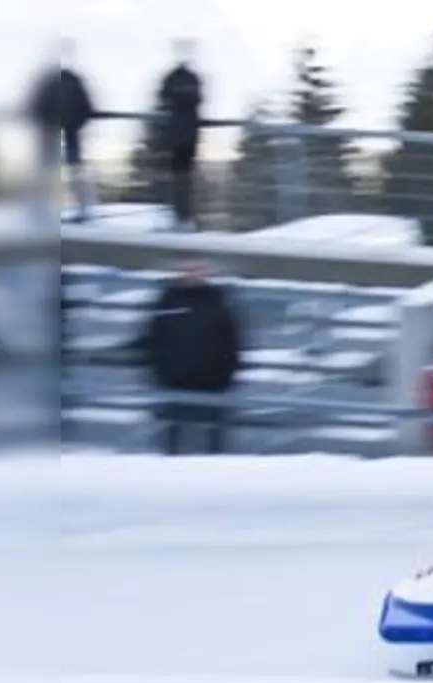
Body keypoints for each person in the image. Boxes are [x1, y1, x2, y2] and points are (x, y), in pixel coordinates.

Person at [139, 258, 241, 454]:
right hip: (173, 382)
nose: (190, 275)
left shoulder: (218, 301)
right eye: (185, 270)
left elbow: (231, 341)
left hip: (212, 384)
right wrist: (158, 373)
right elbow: (153, 337)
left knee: (212, 440)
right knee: (172, 439)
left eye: (195, 270)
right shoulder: (167, 299)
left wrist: (226, 377)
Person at [26, 40, 96, 223]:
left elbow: (86, 108)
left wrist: (72, 123)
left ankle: (78, 207)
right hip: (56, 130)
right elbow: (36, 107)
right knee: (53, 169)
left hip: (64, 130)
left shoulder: (59, 81)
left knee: (68, 168)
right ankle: (43, 207)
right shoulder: (61, 81)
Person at [156, 41, 205, 231]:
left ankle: (180, 215)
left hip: (176, 132)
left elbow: (162, 98)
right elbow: (199, 99)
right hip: (190, 132)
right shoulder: (193, 79)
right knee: (185, 176)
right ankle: (185, 216)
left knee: (178, 176)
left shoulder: (170, 79)